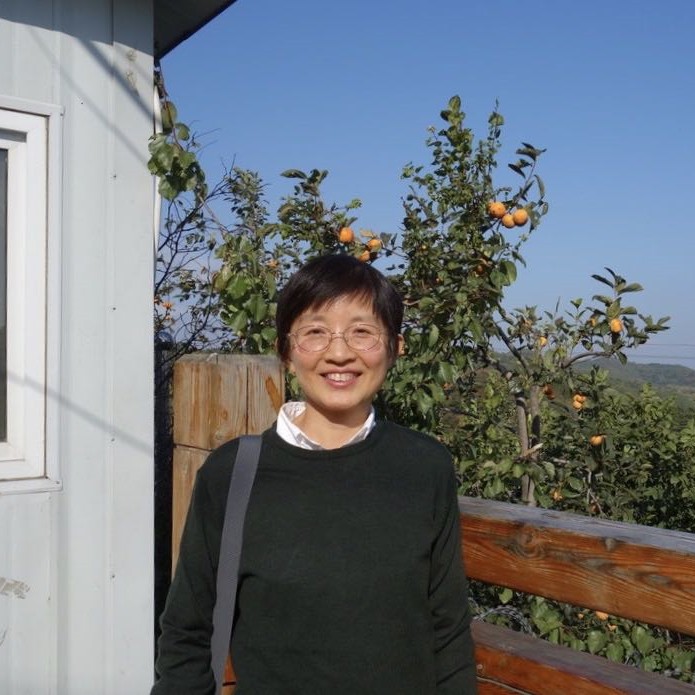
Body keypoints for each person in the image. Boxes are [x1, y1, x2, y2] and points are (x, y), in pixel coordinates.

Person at [152, 254, 478, 694]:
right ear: (286, 351)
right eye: (315, 332)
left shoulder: (424, 467)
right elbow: (187, 631)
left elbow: (449, 630)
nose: (339, 352)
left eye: (362, 332)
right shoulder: (233, 474)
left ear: (395, 348)